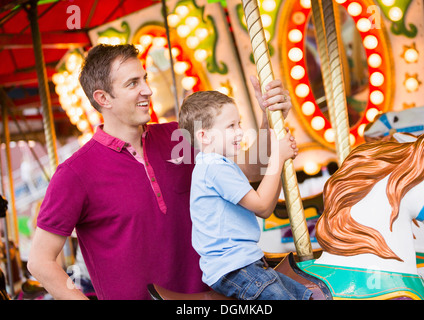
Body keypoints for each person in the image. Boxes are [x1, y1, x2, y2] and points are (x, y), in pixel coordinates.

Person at [27, 44, 295, 300]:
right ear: (103, 98)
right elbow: (41, 262)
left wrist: (268, 117)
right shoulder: (75, 173)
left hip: (215, 297)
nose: (147, 90)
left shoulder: (178, 136)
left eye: (144, 78)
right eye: (133, 83)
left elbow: (252, 169)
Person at [179, 91, 312, 300]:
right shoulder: (213, 168)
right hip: (234, 267)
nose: (240, 132)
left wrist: (279, 160)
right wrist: (277, 157)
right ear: (203, 135)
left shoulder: (222, 166)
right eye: (230, 126)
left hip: (245, 264)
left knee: (306, 295)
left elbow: (266, 208)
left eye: (239, 124)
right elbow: (261, 205)